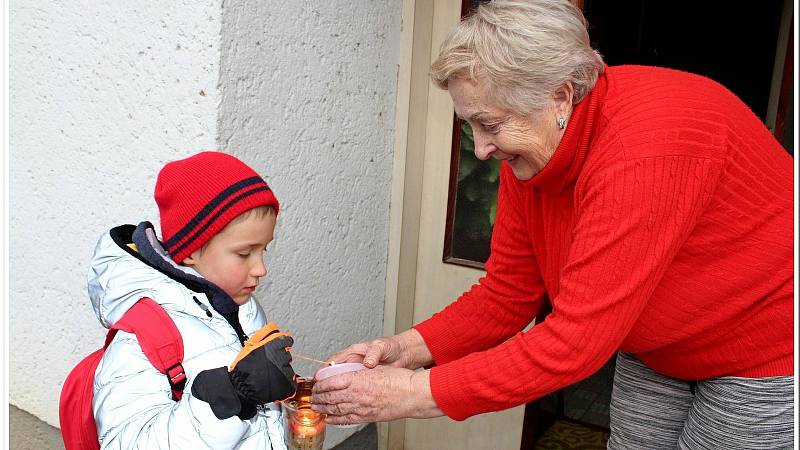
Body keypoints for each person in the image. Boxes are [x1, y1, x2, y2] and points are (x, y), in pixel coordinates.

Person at [311, 1, 795, 448]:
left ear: (561, 96)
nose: (481, 149)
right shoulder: (533, 156)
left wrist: (410, 394)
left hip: (764, 353)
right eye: (470, 126)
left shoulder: (642, 149)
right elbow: (507, 294)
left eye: (492, 125)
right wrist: (403, 350)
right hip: (659, 350)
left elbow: (574, 344)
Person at [89, 151, 297, 449]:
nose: (261, 269)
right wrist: (232, 397)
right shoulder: (144, 339)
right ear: (190, 251)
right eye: (244, 253)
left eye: (264, 249)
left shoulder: (243, 308)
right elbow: (124, 443)